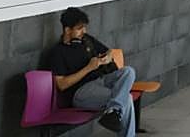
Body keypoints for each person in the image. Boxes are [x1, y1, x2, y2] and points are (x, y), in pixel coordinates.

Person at [48, 7, 136, 136]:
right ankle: (115, 112)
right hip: (81, 92)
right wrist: (89, 68)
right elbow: (62, 84)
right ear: (67, 30)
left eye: (84, 27)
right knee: (126, 98)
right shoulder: (58, 52)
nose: (84, 31)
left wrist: (107, 57)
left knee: (128, 71)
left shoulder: (86, 40)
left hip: (101, 81)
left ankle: (113, 110)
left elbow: (109, 51)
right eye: (79, 28)